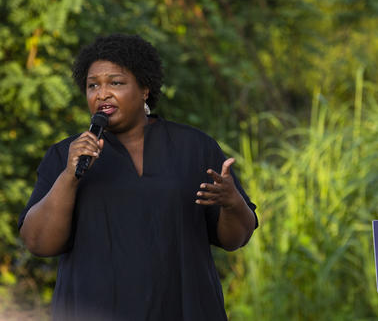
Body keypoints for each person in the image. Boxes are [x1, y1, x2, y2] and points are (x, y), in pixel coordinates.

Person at [18, 33, 258, 321]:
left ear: (145, 89)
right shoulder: (64, 156)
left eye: (116, 83)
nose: (102, 94)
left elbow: (236, 238)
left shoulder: (194, 147)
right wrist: (69, 176)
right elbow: (38, 243)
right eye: (93, 85)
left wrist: (232, 203)